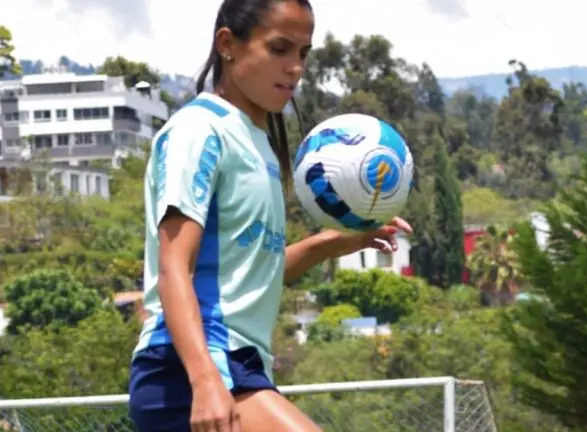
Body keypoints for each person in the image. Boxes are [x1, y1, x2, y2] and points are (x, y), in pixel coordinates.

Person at [127, 0, 412, 431]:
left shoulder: (258, 143)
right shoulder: (198, 131)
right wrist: (205, 380)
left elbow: (254, 277)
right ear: (228, 45)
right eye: (280, 49)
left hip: (237, 370)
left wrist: (333, 242)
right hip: (187, 372)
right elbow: (173, 268)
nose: (295, 67)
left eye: (303, 53)